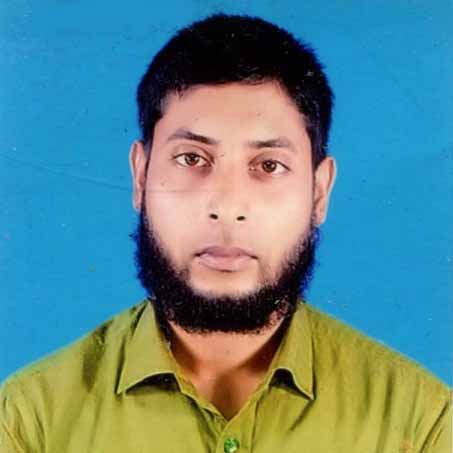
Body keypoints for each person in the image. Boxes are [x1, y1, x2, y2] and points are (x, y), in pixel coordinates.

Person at [0, 13, 451, 453]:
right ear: (140, 175)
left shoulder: (423, 424)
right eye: (191, 158)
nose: (228, 207)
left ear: (319, 192)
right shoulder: (28, 423)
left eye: (269, 165)